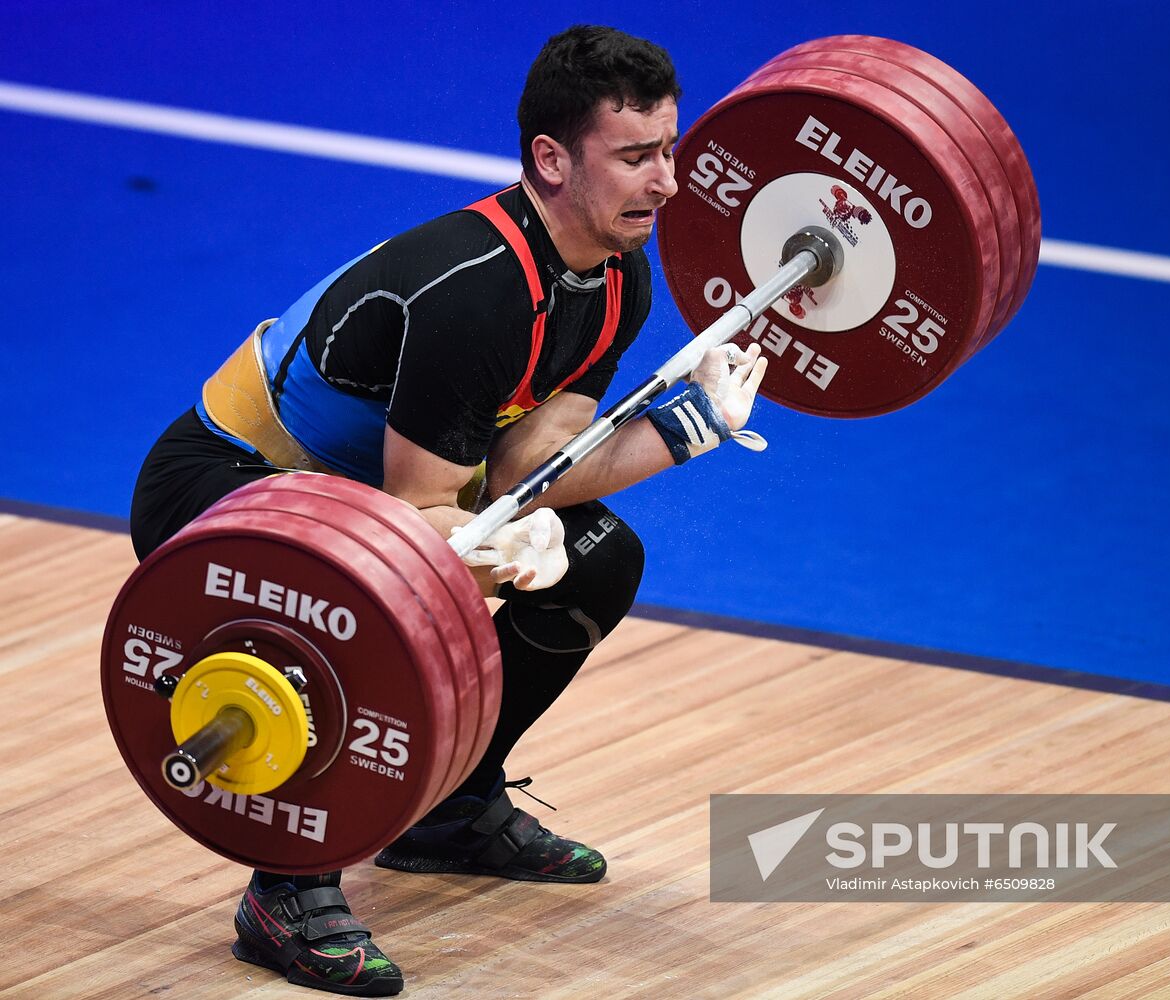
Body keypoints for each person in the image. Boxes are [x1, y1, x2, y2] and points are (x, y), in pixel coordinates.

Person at [129, 24, 766, 997]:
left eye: (669, 149)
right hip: (222, 486)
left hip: (354, 497)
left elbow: (528, 466)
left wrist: (690, 429)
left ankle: (450, 812)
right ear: (551, 160)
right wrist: (494, 541)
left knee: (598, 561)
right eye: (636, 156)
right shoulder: (474, 293)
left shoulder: (615, 277)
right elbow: (417, 516)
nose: (668, 182)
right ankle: (286, 891)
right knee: (363, 602)